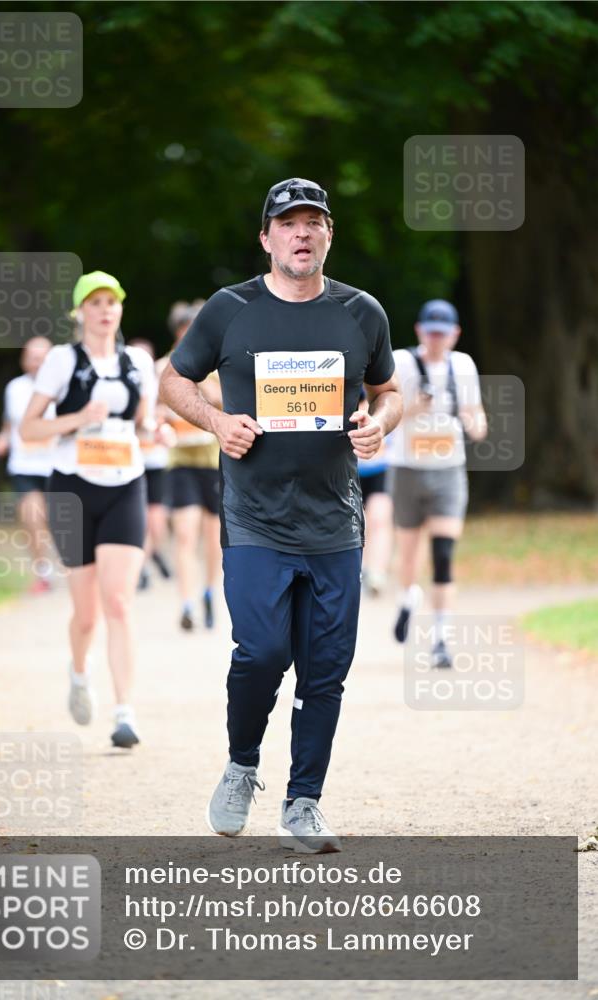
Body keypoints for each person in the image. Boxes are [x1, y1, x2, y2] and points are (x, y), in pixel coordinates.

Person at [159, 177, 402, 852]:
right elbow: (173, 379)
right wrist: (215, 421)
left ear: (328, 234)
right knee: (262, 651)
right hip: (254, 516)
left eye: (313, 222)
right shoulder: (229, 309)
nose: (301, 233)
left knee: (325, 667)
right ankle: (241, 765)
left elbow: (389, 391)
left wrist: (377, 424)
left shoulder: (361, 313)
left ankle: (303, 801)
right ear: (266, 237)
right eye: (287, 223)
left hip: (333, 519)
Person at [20, 271, 155, 748]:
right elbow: (28, 431)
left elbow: (145, 424)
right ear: (80, 312)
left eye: (112, 302)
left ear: (120, 309)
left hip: (125, 485)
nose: (105, 310)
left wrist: (158, 432)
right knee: (86, 615)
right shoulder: (62, 360)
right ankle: (79, 672)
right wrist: (79, 419)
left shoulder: (138, 362)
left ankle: (125, 713)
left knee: (118, 601)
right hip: (72, 491)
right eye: (95, 302)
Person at [388, 299, 487, 668]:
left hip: (448, 471)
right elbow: (388, 414)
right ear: (419, 331)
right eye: (430, 332)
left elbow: (478, 419)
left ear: (455, 335)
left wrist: (473, 425)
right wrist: (414, 406)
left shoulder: (463, 366)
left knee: (443, 557)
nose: (435, 339)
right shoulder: (401, 362)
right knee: (410, 554)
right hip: (408, 469)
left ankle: (441, 639)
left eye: (442, 334)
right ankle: (407, 599)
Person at [157, 301, 222, 631]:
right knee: (184, 534)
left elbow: (226, 403)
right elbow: (152, 408)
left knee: (213, 538)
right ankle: (186, 601)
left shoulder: (217, 365)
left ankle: (210, 591)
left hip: (213, 460)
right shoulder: (161, 367)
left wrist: (198, 380)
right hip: (180, 461)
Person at [0, 336, 56, 594]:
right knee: (32, 517)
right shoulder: (14, 388)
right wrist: (2, 438)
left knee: (60, 520)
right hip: (24, 465)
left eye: (43, 358)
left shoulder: (63, 387)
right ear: (23, 360)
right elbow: (9, 424)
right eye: (33, 358)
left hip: (56, 464)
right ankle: (42, 571)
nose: (38, 363)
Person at [127, 338, 173, 591]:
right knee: (143, 516)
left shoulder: (160, 385)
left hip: (155, 458)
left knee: (155, 517)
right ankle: (144, 562)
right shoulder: (126, 383)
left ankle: (151, 554)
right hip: (132, 459)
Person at [357, 390, 393, 596]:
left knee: (380, 518)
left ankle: (377, 574)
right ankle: (360, 570)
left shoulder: (387, 393)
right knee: (358, 524)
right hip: (350, 470)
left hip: (380, 468)